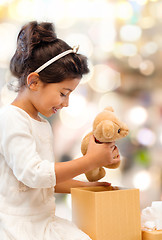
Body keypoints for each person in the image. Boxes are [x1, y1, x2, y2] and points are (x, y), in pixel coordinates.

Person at [0, 21, 120, 240]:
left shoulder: (41, 124)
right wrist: (90, 161)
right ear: (34, 82)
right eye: (63, 93)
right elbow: (34, 174)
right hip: (18, 228)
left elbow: (47, 182)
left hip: (45, 223)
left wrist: (87, 185)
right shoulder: (11, 118)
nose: (66, 103)